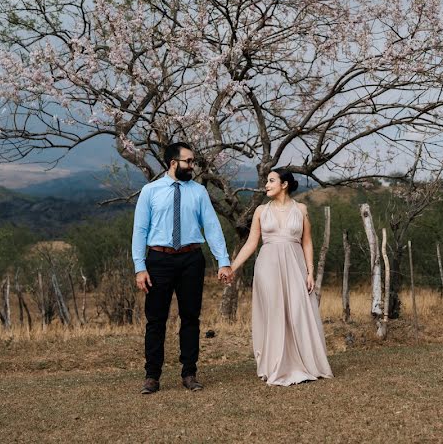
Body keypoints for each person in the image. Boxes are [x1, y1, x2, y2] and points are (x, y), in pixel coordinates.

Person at [132, 142, 233, 394]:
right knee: (155, 320)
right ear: (173, 163)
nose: (192, 166)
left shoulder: (198, 192)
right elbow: (140, 230)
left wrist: (223, 261)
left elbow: (211, 227)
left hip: (191, 259)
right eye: (188, 161)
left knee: (190, 318)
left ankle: (189, 372)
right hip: (159, 260)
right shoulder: (150, 191)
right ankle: (152, 376)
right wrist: (139, 267)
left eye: (193, 161)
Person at [230, 168, 333, 386]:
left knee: (297, 311)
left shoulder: (301, 209)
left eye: (271, 181)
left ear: (284, 184)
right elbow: (251, 243)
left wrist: (310, 271)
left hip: (295, 265)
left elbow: (307, 241)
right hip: (268, 265)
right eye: (266, 181)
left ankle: (303, 363)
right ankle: (275, 365)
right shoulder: (260, 211)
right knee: (274, 311)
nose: (266, 185)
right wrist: (233, 266)